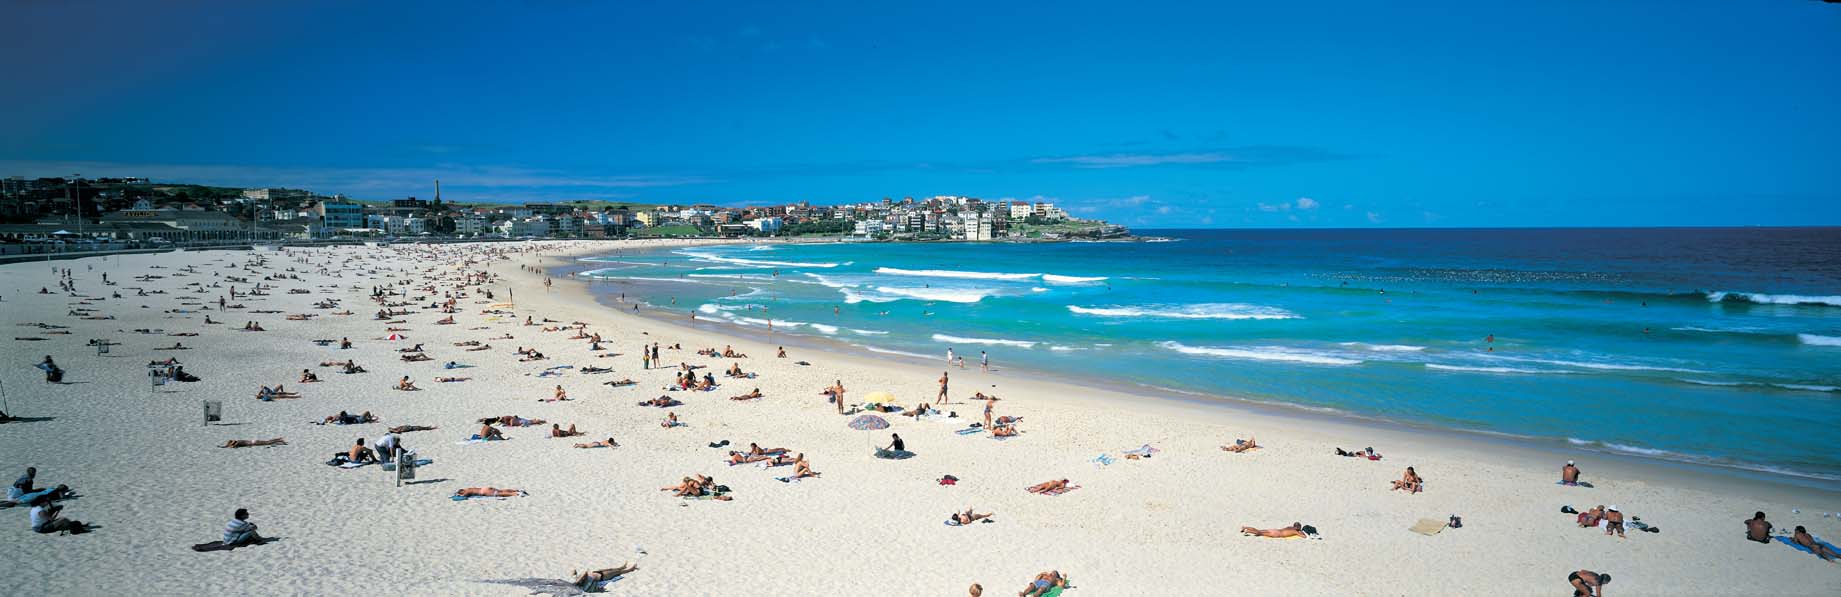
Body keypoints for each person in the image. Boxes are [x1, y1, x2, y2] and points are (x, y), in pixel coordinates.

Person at [572, 562, 640, 590]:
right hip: (603, 576)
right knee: (617, 572)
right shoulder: (586, 582)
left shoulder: (580, 578)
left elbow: (574, 574)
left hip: (597, 572)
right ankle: (631, 569)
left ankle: (622, 567)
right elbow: (582, 580)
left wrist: (575, 573)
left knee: (610, 569)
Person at [1240, 522, 1306, 538]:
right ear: (1298, 527)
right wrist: (1301, 532)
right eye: (1300, 527)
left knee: (1259, 530)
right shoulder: (1295, 531)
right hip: (1277, 534)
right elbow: (1304, 536)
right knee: (1260, 533)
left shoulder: (1289, 527)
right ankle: (1248, 531)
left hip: (1275, 530)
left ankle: (1245, 527)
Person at [455, 487, 525, 498]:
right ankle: (517, 490)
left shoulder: (467, 491)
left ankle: (516, 494)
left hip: (484, 491)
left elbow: (465, 495)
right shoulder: (469, 488)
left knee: (499, 494)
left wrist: (460, 495)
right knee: (501, 491)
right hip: (485, 488)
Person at [221, 438, 287, 448]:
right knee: (267, 442)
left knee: (268, 443)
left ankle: (280, 440)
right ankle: (279, 439)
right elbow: (230, 444)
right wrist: (225, 446)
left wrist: (227, 446)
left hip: (254, 443)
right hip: (253, 441)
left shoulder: (238, 443)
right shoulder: (239, 441)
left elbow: (233, 446)